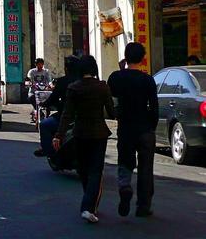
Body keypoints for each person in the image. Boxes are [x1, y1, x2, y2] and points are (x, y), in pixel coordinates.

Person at [54, 55, 115, 224]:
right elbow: (111, 112)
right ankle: (88, 206)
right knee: (96, 170)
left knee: (83, 169)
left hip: (80, 133)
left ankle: (89, 203)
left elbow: (67, 114)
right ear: (94, 69)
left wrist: (59, 135)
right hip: (99, 133)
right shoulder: (102, 87)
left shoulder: (74, 88)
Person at [107, 42, 159, 218]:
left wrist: (121, 70)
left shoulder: (116, 77)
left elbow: (111, 98)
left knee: (125, 161)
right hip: (145, 128)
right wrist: (151, 126)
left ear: (125, 57)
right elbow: (154, 108)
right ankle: (143, 205)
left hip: (126, 127)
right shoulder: (148, 80)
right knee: (146, 168)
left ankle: (125, 186)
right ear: (143, 58)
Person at [34, 55, 79, 157]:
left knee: (44, 125)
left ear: (66, 68)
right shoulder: (83, 81)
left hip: (65, 116)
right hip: (83, 117)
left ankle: (47, 150)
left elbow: (53, 98)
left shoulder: (62, 81)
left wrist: (44, 104)